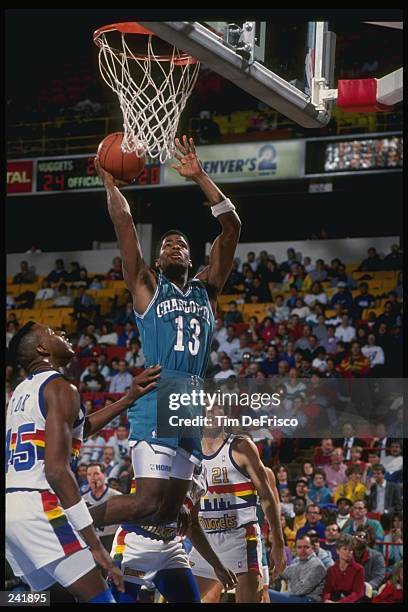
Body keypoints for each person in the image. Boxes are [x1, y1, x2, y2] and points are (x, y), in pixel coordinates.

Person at [90, 135, 241, 531]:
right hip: (160, 392)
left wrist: (200, 176)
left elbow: (231, 227)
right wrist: (110, 183)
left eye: (182, 245)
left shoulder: (207, 288)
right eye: (167, 244)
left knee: (169, 514)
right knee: (146, 502)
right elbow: (123, 223)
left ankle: (131, 564)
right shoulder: (146, 286)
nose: (174, 246)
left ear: (192, 259)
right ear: (157, 259)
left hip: (193, 396)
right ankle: (68, 531)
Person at [6, 320, 159, 602]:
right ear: (42, 348)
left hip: (12, 508)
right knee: (102, 598)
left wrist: (127, 399)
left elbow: (79, 429)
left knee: (48, 599)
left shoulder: (20, 392)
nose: (63, 334)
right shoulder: (60, 387)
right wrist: (94, 545)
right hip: (41, 505)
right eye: (53, 333)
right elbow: (55, 471)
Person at [189, 403, 286, 603]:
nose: (211, 413)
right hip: (205, 540)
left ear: (226, 415)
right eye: (206, 409)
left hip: (241, 538)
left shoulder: (240, 446)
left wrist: (278, 541)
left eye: (217, 408)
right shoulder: (190, 450)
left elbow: (268, 497)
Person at [110, 466, 237, 603]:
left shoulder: (202, 473)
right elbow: (144, 494)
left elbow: (192, 525)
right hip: (134, 542)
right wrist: (172, 502)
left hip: (169, 547)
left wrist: (217, 565)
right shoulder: (161, 449)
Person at [268, 535, 326, 603]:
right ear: (295, 549)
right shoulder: (298, 561)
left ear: (312, 548)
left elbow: (299, 591)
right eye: (299, 547)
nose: (303, 550)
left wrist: (290, 580)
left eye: (306, 547)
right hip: (296, 598)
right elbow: (283, 573)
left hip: (309, 600)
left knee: (267, 593)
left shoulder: (317, 566)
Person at [83, 464, 122, 551]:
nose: (93, 477)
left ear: (104, 475)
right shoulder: (83, 499)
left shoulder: (117, 497)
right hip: (92, 542)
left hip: (113, 540)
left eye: (96, 473)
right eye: (89, 474)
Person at [322, 534, 365, 603]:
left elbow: (358, 593)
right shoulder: (331, 570)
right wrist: (326, 600)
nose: (348, 552)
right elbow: (326, 591)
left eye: (350, 550)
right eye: (345, 549)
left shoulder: (359, 569)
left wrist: (341, 602)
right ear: (338, 551)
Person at [352, 527, 385, 596]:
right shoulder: (347, 555)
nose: (357, 538)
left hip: (369, 590)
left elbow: (379, 577)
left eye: (361, 536)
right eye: (355, 536)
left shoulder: (377, 556)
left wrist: (366, 587)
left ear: (367, 541)